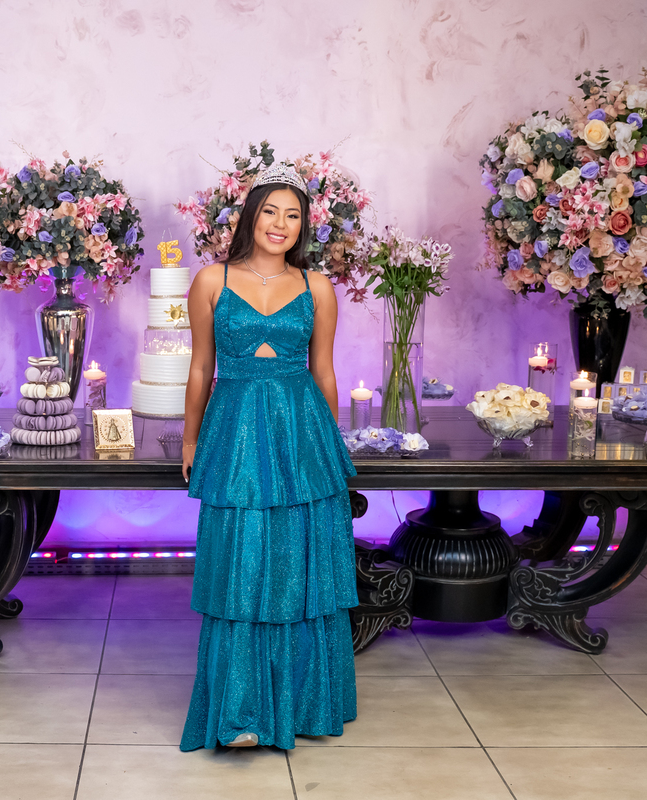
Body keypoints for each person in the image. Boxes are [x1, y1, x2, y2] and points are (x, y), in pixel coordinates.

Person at [179, 162, 359, 751]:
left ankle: (304, 704)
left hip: (302, 433)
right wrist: (190, 439)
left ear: (303, 226)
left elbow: (324, 372)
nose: (280, 224)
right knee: (242, 562)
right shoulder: (211, 280)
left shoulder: (317, 287)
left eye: (293, 215)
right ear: (250, 217)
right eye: (270, 212)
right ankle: (240, 712)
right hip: (233, 432)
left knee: (297, 564)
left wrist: (330, 444)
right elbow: (200, 367)